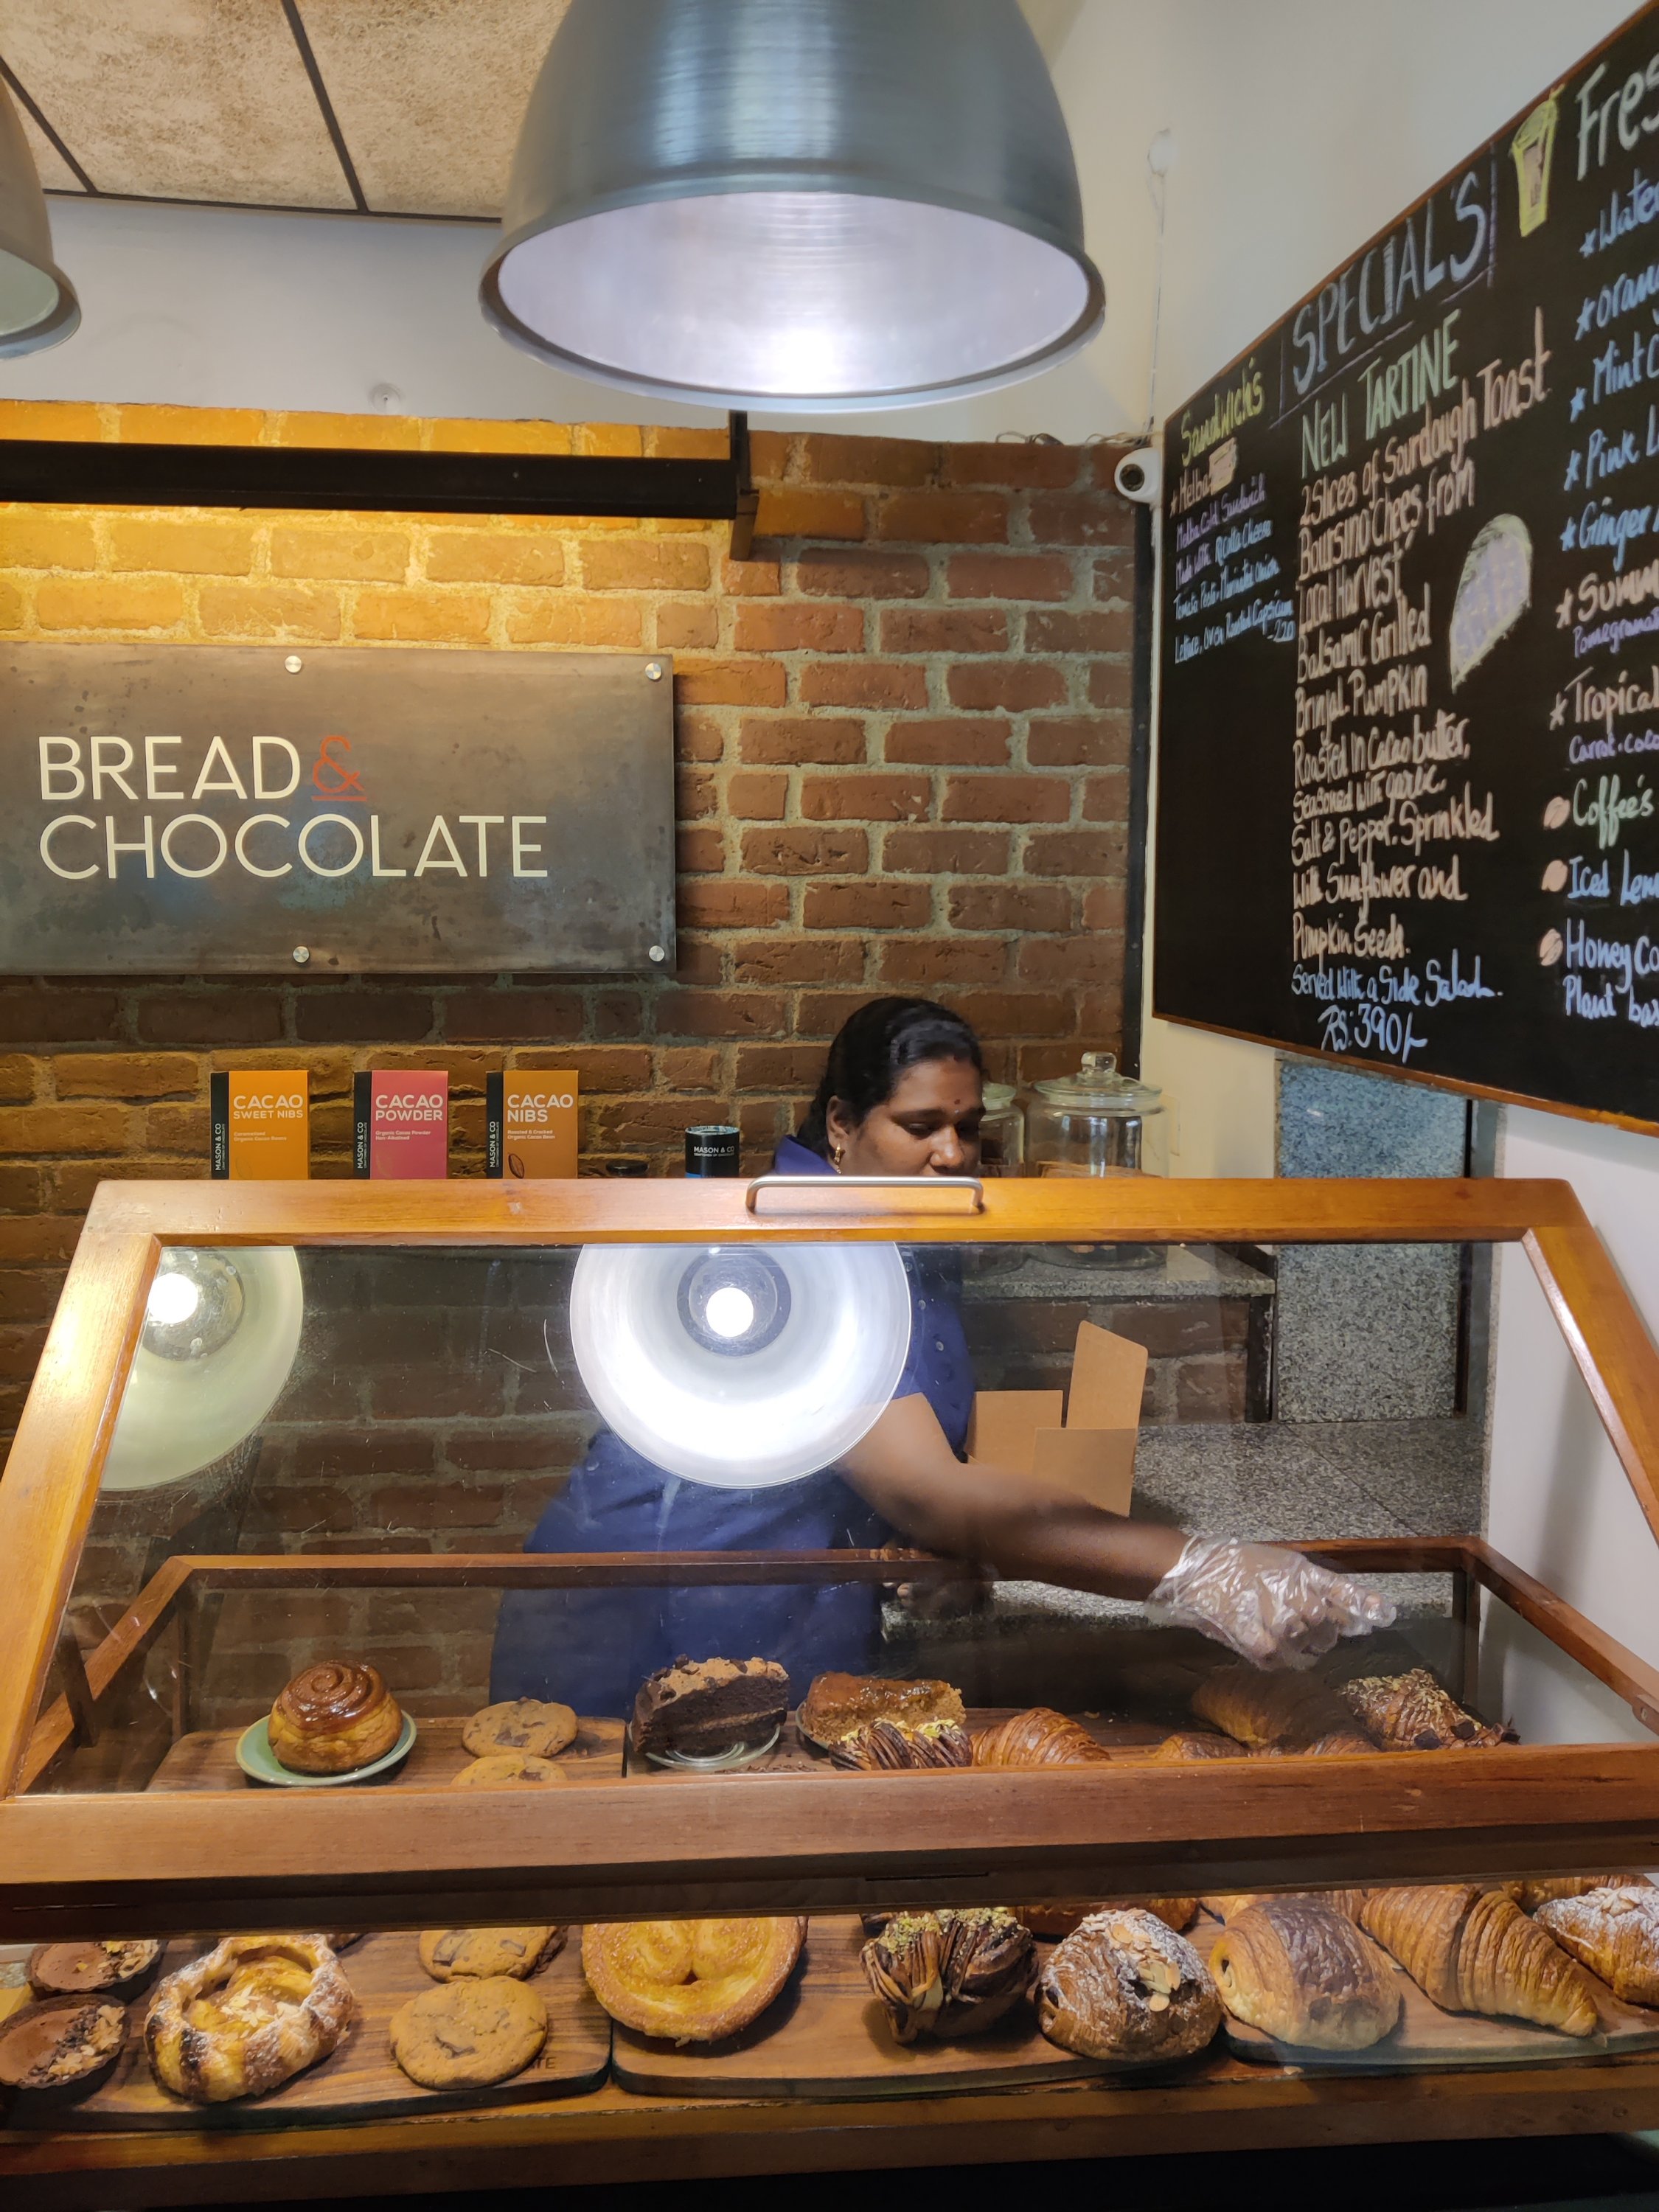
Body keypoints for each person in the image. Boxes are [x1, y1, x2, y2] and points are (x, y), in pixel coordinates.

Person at [490, 997, 1391, 1712]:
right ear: (841, 1124)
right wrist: (1195, 1567)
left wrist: (909, 1543)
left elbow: (878, 1461)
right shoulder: (800, 1252)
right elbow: (928, 1488)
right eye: (919, 1125)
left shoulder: (892, 1227)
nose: (952, 1153)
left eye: (968, 1126)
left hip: (769, 1602)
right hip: (650, 1621)